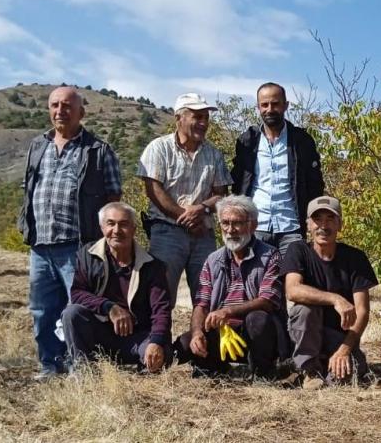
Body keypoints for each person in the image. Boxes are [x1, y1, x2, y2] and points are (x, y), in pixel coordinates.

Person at [18, 86, 122, 379]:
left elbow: (113, 198)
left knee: (76, 310)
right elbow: (28, 190)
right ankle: (50, 364)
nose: (60, 111)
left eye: (67, 106)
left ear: (81, 112)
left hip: (78, 246)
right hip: (40, 245)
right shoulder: (37, 146)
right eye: (54, 105)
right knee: (41, 310)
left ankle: (79, 367)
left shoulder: (98, 150)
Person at [137, 93, 232, 303]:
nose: (203, 123)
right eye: (197, 117)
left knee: (208, 296)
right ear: (179, 118)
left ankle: (202, 336)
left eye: (205, 118)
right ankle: (158, 337)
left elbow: (220, 193)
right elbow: (153, 189)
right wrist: (187, 218)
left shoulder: (214, 154)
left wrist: (202, 209)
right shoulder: (158, 148)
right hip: (166, 232)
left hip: (203, 234)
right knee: (161, 296)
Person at [174, 195, 282, 379]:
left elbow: (267, 301)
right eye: (225, 223)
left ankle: (262, 372)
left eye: (237, 223)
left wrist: (228, 311)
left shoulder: (270, 256)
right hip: (222, 331)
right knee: (185, 343)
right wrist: (197, 332)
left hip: (254, 334)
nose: (230, 230)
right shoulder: (213, 260)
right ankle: (216, 369)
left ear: (253, 225)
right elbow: (201, 304)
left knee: (258, 319)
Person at [62, 202, 172, 372]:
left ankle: (145, 367)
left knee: (160, 354)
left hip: (136, 338)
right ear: (101, 227)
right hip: (100, 336)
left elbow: (161, 310)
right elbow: (77, 293)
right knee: (72, 313)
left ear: (134, 229)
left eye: (124, 224)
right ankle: (83, 371)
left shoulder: (152, 266)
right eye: (111, 223)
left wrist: (156, 342)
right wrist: (109, 307)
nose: (116, 231)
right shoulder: (88, 255)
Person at [282, 196, 378, 389]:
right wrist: (335, 299)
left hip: (340, 338)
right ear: (308, 225)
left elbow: (362, 312)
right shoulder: (297, 250)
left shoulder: (355, 257)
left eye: (330, 219)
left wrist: (345, 349)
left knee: (342, 381)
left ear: (340, 224)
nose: (323, 226)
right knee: (304, 310)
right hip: (307, 335)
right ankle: (309, 370)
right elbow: (292, 291)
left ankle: (329, 365)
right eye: (317, 220)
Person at [231, 82, 325, 255]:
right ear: (258, 107)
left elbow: (315, 185)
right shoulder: (247, 141)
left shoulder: (301, 141)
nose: (270, 109)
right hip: (255, 226)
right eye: (264, 105)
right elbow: (238, 183)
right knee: (255, 280)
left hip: (291, 228)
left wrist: (313, 221)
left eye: (275, 104)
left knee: (292, 280)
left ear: (285, 105)